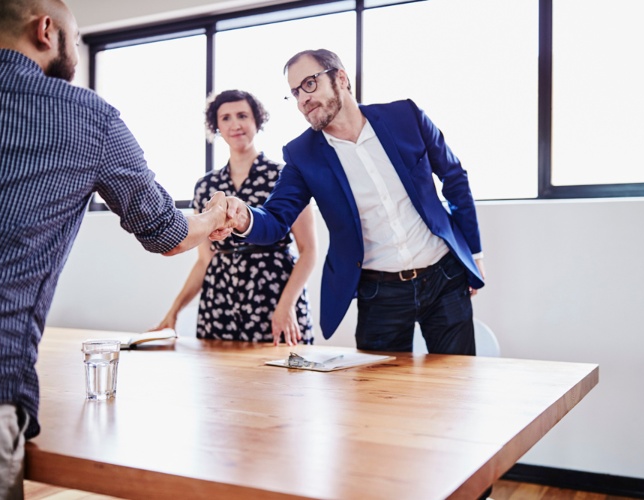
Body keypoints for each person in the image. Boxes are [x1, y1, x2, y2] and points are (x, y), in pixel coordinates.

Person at [0, 0, 235, 496]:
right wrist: (214, 217)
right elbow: (166, 233)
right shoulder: (82, 116)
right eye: (76, 36)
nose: (79, 51)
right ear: (46, 30)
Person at [214, 48, 486, 355]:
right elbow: (276, 219)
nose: (303, 99)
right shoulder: (302, 155)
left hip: (444, 277)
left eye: (309, 84)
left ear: (340, 78)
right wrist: (243, 217)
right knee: (379, 398)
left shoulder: (406, 117)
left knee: (458, 389)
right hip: (379, 293)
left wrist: (473, 253)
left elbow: (454, 178)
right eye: (295, 92)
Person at [152, 90, 316, 345]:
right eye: (226, 118)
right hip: (220, 300)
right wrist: (173, 312)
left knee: (283, 381)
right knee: (218, 381)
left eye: (242, 115)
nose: (235, 124)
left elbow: (309, 251)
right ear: (216, 126)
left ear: (257, 121)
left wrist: (286, 305)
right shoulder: (206, 185)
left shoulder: (284, 175)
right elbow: (205, 260)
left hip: (274, 295)